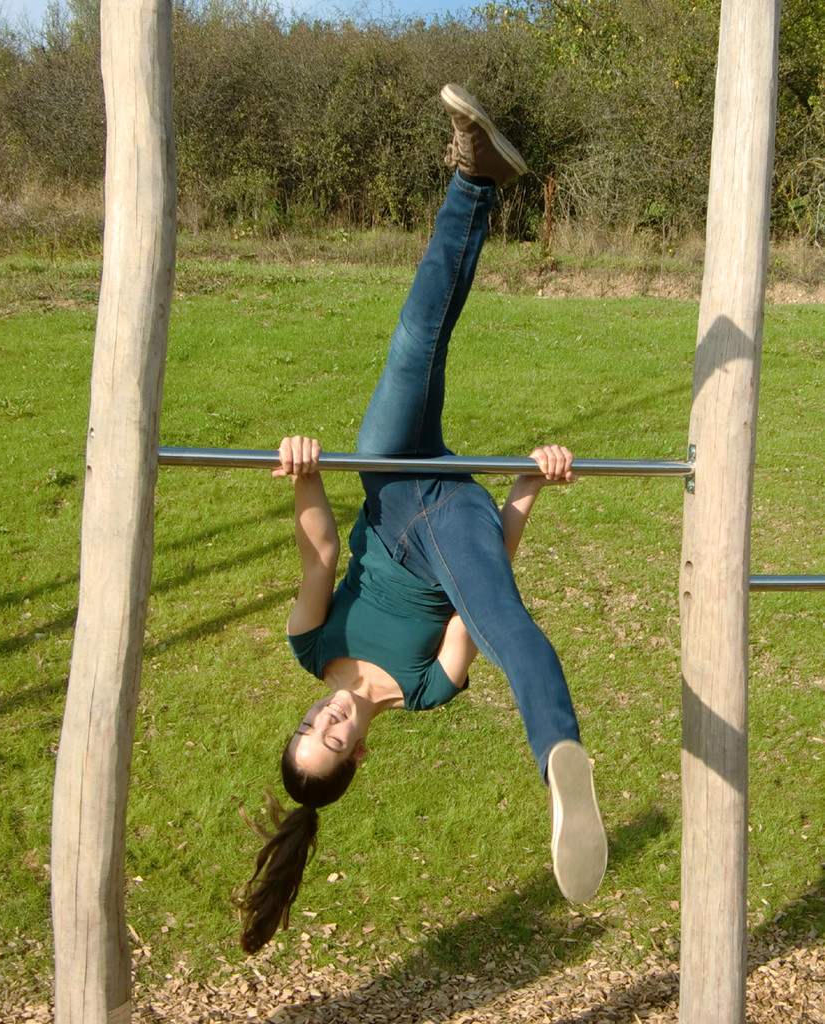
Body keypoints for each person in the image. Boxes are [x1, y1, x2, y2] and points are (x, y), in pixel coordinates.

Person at [237, 84, 607, 955]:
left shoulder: (309, 646)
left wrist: (301, 473)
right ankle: (562, 758)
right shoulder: (427, 689)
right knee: (505, 622)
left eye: (309, 729)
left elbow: (322, 551)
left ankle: (476, 179)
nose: (326, 724)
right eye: (334, 742)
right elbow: (479, 598)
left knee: (418, 337)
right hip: (453, 532)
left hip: (394, 483)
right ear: (358, 755)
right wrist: (526, 488)